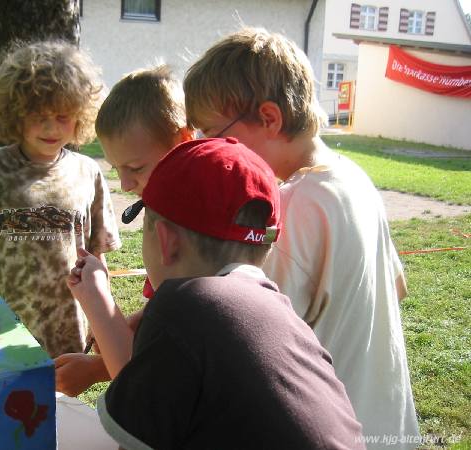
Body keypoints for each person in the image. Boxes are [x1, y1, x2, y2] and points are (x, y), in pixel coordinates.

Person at [183, 27, 419, 447]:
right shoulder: (354, 178)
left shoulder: (292, 206)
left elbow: (248, 341)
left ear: (270, 118)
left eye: (213, 132)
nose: (207, 147)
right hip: (389, 425)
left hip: (333, 431)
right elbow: (396, 289)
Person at [67, 137, 365, 449]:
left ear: (166, 242)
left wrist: (98, 303)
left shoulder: (184, 303)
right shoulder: (278, 309)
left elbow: (132, 437)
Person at [0, 40, 121, 358]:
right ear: (15, 113)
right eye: (38, 115)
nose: (51, 127)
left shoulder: (88, 173)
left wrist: (101, 320)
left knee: (59, 407)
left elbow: (98, 260)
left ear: (80, 115)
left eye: (63, 115)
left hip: (66, 330)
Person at [54, 64, 192, 395]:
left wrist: (100, 306)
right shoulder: (169, 206)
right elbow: (169, 307)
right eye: (118, 169)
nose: (126, 184)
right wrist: (134, 322)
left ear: (182, 140)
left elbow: (147, 386)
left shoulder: (191, 226)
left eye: (135, 168)